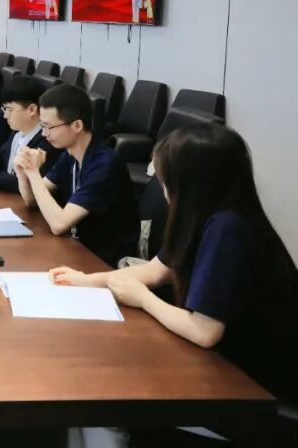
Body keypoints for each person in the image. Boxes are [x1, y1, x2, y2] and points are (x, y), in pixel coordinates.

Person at [50, 123, 298, 405]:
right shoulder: (200, 216)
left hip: (256, 383)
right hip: (222, 361)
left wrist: (143, 299)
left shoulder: (228, 229)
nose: (162, 188)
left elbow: (204, 331)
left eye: (164, 178)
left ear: (192, 182)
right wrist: (87, 280)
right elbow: (154, 272)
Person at [15, 84, 138, 266]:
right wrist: (23, 171)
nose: (44, 134)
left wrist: (34, 173)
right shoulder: (70, 155)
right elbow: (31, 200)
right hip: (75, 246)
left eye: (49, 127)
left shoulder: (105, 164)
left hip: (103, 260)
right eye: (42, 126)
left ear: (77, 125)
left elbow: (59, 225)